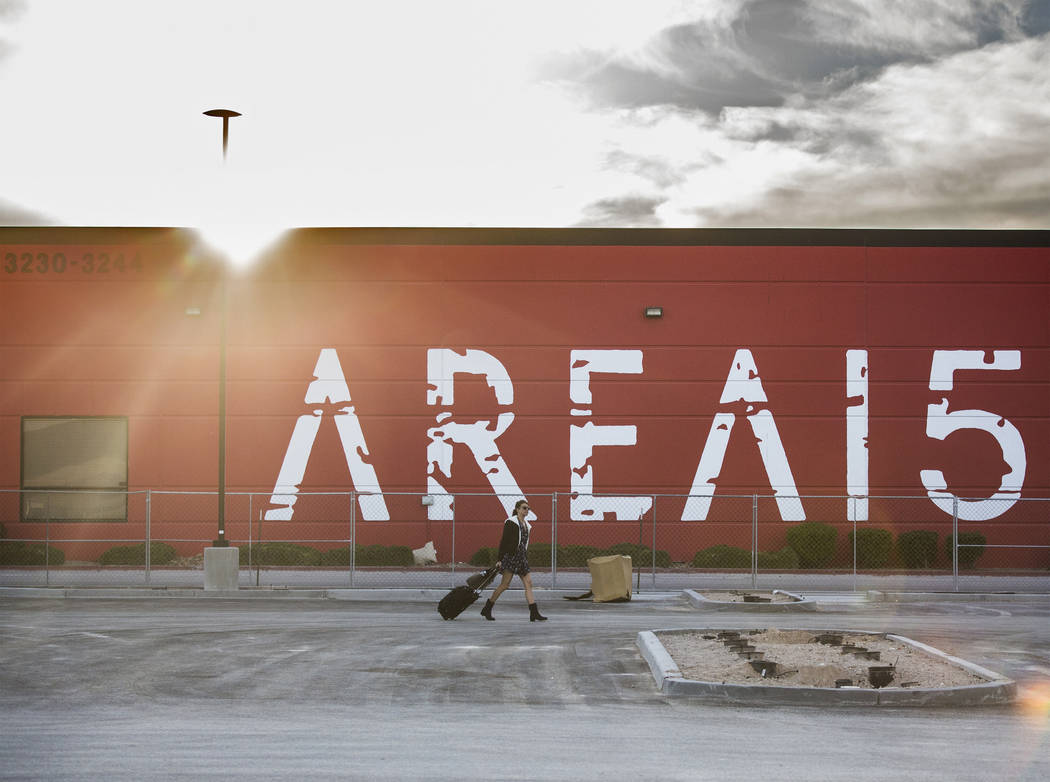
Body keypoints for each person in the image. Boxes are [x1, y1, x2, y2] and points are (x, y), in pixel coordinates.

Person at [480, 499, 547, 622]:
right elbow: (503, 541)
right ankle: (487, 608)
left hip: (521, 558)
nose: (526, 510)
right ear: (517, 509)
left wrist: (525, 556)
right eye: (524, 508)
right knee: (504, 585)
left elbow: (524, 543)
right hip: (511, 557)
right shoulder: (511, 522)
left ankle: (534, 612)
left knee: (528, 583)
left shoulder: (527, 525)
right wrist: (499, 559)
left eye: (528, 508)